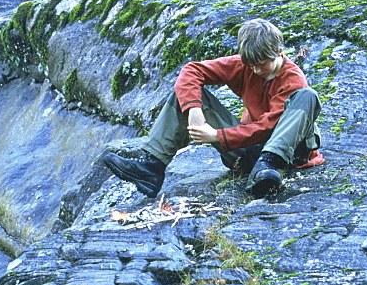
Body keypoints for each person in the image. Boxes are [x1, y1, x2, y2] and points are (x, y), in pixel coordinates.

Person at [103, 18, 323, 200]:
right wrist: (194, 110)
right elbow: (191, 71)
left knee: (307, 96)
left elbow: (268, 127)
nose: (256, 70)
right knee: (186, 94)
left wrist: (217, 135)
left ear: (279, 52)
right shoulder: (246, 65)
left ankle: (268, 167)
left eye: (262, 63)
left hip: (288, 153)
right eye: (251, 64)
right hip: (250, 153)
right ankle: (152, 167)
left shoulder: (293, 79)